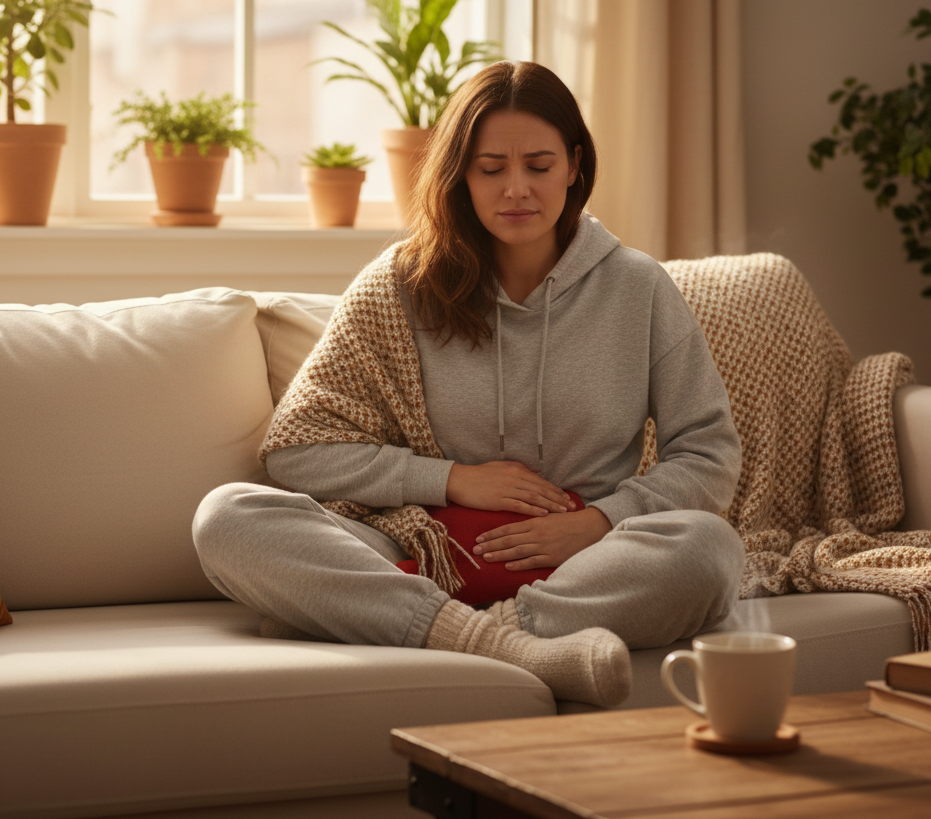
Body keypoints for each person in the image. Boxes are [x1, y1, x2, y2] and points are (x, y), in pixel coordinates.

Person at [194, 61, 744, 708]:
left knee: (709, 551)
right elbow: (296, 448)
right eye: (491, 169)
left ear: (573, 166)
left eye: (538, 166)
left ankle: (389, 619)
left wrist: (599, 523)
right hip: (423, 553)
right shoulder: (401, 285)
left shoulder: (639, 288)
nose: (517, 189)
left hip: (583, 565)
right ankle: (504, 644)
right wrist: (453, 479)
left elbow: (708, 453)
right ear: (461, 174)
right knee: (227, 519)